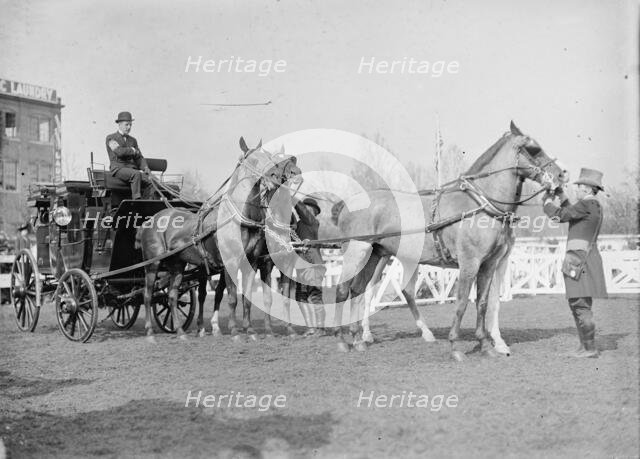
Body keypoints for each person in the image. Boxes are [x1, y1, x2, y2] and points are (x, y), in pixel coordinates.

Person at [543, 168, 607, 358]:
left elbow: (561, 215)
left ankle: (589, 348)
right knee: (577, 303)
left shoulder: (587, 205)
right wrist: (560, 193)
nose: (576, 189)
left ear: (587, 189)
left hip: (579, 260)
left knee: (580, 304)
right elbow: (570, 209)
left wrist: (547, 202)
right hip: (582, 258)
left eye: (579, 187)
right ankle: (584, 346)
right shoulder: (590, 205)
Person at [294, 197, 327, 336]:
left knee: (315, 296)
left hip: (313, 265)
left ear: (313, 211)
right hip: (302, 265)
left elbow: (301, 211)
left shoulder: (312, 221)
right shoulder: (298, 225)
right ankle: (311, 328)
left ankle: (320, 329)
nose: (305, 210)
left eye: (307, 208)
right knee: (301, 296)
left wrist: (290, 196)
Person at [105, 111, 151, 199]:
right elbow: (119, 151)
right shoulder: (111, 138)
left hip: (131, 169)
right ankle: (136, 201)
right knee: (136, 174)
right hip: (118, 168)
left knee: (151, 180)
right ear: (119, 124)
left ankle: (148, 201)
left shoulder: (133, 140)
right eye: (126, 125)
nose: (129, 127)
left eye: (130, 125)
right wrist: (132, 150)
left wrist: (145, 168)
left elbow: (139, 157)